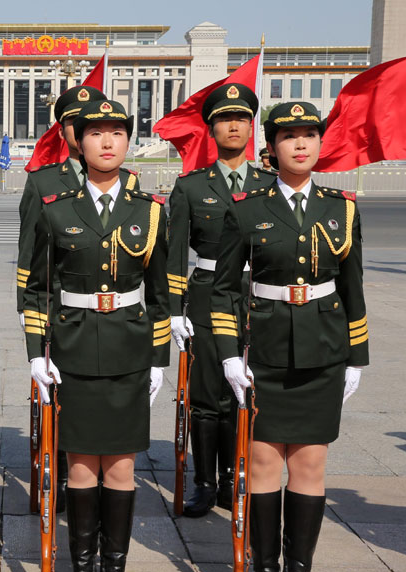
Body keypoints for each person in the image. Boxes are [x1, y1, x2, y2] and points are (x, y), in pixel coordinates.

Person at [212, 101, 367, 572]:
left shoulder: (341, 206)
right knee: (262, 466)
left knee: (309, 467)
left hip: (323, 350)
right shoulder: (246, 207)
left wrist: (357, 357)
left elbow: (352, 286)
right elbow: (225, 287)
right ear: (271, 148)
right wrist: (230, 354)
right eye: (289, 136)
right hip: (268, 352)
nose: (301, 144)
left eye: (309, 134)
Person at [24, 99, 170, 572]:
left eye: (117, 132)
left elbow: (162, 293)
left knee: (123, 467)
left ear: (129, 141)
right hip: (74, 347)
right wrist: (35, 354)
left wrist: (159, 357)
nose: (107, 142)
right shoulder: (56, 208)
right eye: (96, 133)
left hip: (129, 347)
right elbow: (36, 289)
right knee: (81, 465)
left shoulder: (151, 210)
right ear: (78, 142)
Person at [167, 83, 277, 517]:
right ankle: (204, 482)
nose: (234, 125)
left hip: (259, 297)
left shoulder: (270, 184)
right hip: (209, 295)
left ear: (252, 127)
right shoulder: (192, 187)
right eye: (225, 119)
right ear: (210, 129)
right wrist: (175, 310)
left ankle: (235, 478)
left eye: (243, 119)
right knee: (207, 394)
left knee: (245, 393)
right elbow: (175, 253)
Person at [16, 84, 108, 512]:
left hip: (103, 312)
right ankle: (63, 472)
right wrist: (27, 311)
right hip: (56, 308)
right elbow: (29, 257)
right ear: (65, 128)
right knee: (58, 398)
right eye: (73, 122)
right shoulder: (43, 181)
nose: (82, 129)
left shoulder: (123, 179)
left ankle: (91, 474)